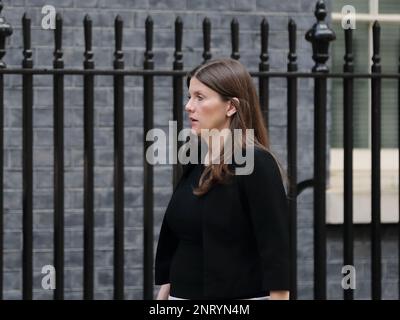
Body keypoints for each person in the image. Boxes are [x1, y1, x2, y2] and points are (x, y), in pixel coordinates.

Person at [154, 57, 290, 300]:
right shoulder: (195, 160)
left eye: (200, 97)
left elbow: (275, 252)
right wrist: (166, 289)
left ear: (231, 106)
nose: (188, 106)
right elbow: (185, 238)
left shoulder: (256, 163)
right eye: (189, 96)